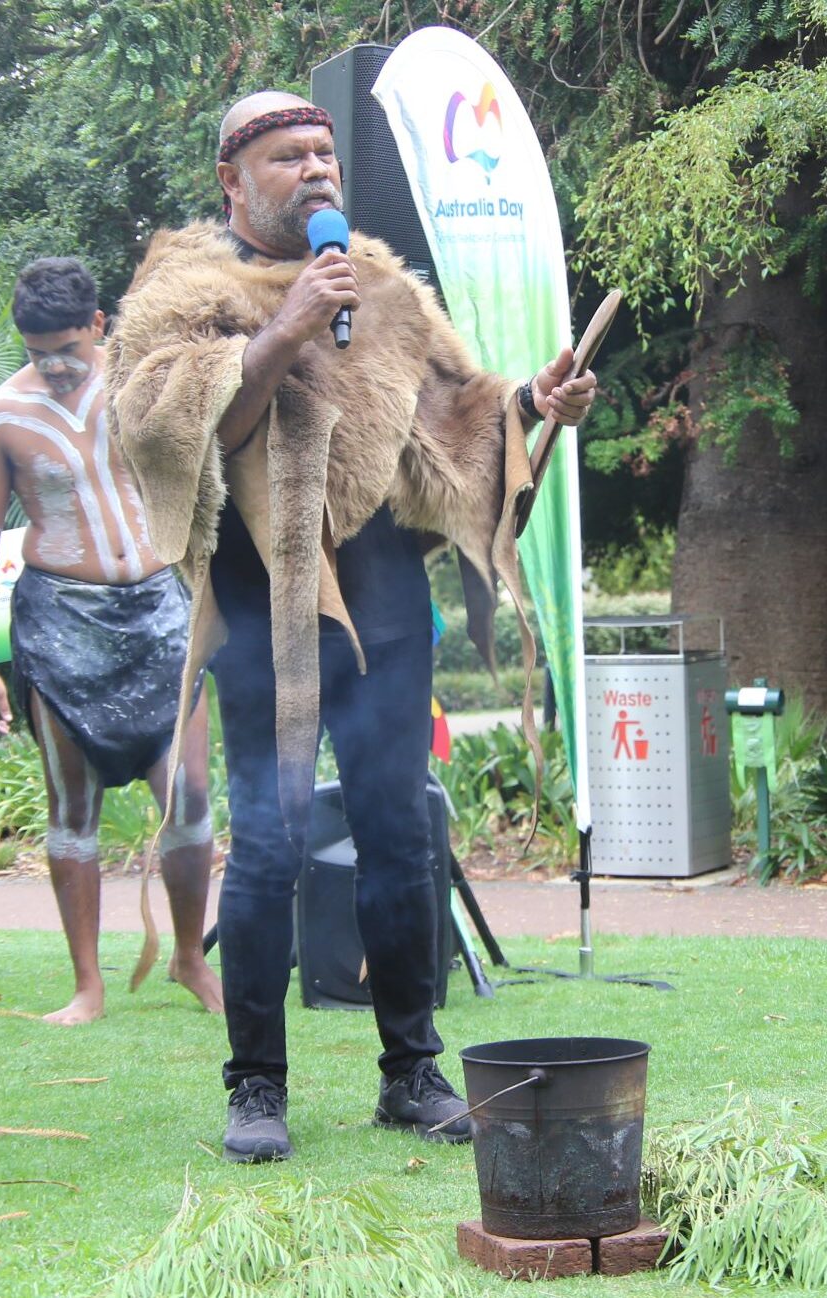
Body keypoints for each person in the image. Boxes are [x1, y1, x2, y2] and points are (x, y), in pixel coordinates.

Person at [104, 91, 596, 1162]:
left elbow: (458, 428)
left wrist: (532, 406)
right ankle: (256, 1087)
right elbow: (177, 432)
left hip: (380, 599)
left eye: (325, 153)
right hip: (258, 601)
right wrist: (283, 326)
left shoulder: (379, 290)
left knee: (401, 830)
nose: (317, 170)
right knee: (271, 841)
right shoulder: (182, 293)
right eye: (289, 157)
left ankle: (411, 1070)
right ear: (234, 182)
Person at [0, 256, 224, 1023]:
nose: (55, 364)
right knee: (71, 807)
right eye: (39, 350)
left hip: (157, 608)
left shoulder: (141, 382)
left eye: (68, 347)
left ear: (99, 325)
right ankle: (88, 984)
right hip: (62, 618)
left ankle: (186, 957)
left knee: (191, 795)